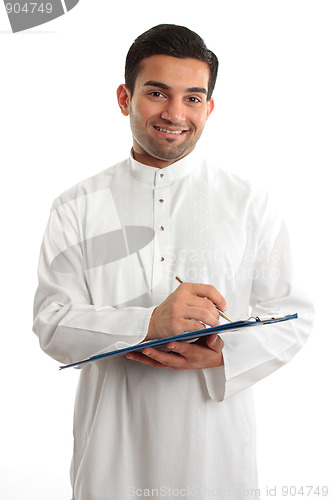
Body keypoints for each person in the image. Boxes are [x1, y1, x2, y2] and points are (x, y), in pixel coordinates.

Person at [33, 24, 313, 500]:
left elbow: (293, 316)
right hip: (111, 452)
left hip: (214, 450)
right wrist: (150, 322)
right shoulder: (76, 205)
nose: (175, 113)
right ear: (125, 97)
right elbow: (51, 325)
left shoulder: (248, 202)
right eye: (157, 93)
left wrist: (224, 352)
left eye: (193, 98)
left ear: (209, 107)